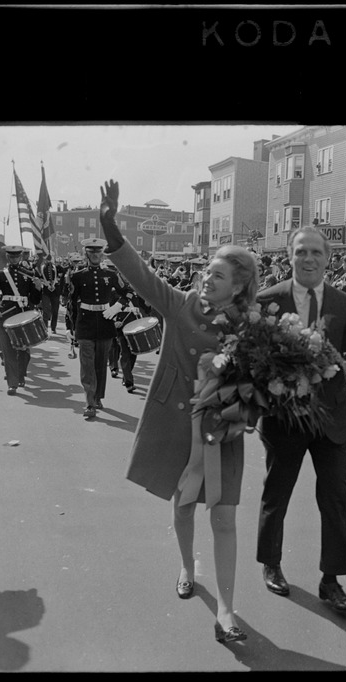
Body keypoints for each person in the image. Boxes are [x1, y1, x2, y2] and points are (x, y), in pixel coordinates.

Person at [99, 180, 258, 643]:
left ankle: (227, 611)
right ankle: (188, 568)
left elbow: (261, 385)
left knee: (224, 516)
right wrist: (111, 227)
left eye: (218, 276)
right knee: (184, 506)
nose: (207, 279)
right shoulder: (181, 305)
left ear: (241, 285)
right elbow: (140, 275)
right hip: (176, 421)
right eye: (207, 272)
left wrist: (242, 406)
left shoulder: (252, 326)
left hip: (222, 430)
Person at [255, 226, 346, 614]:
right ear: (289, 257)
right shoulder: (267, 300)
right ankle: (271, 563)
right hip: (284, 418)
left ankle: (331, 580)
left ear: (328, 258)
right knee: (277, 493)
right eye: (301, 252)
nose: (308, 259)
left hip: (331, 418)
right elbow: (253, 358)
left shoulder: (344, 304)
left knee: (334, 498)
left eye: (316, 253)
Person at [69, 237, 127, 419]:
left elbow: (129, 292)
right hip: (85, 324)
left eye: (98, 251)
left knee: (101, 364)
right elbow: (71, 303)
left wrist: (117, 307)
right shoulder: (77, 276)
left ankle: (97, 396)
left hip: (105, 323)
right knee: (87, 366)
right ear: (86, 253)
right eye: (91, 252)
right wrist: (71, 328)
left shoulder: (111, 274)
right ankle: (89, 402)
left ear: (102, 253)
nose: (95, 255)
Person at [0, 244, 44, 395]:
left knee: (23, 350)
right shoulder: (0, 275)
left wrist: (38, 288)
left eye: (17, 256)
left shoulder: (29, 274)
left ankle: (21, 375)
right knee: (8, 351)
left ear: (21, 257)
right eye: (11, 256)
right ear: (8, 257)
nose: (14, 258)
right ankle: (12, 383)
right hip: (5, 316)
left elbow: (34, 300)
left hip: (23, 315)